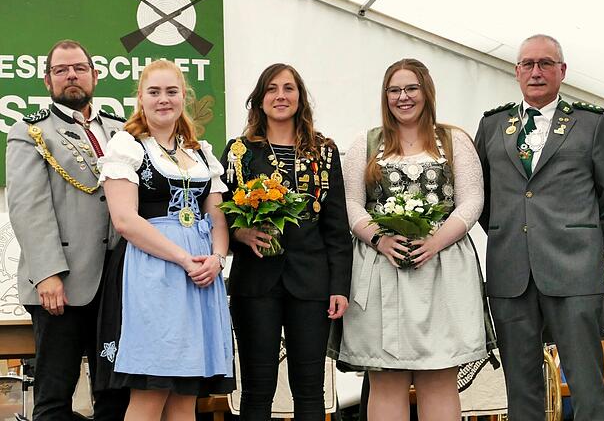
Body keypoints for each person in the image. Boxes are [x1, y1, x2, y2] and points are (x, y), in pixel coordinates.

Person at [474, 34, 604, 420]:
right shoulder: (492, 125)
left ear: (562, 71)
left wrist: (587, 245)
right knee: (521, 389)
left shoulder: (591, 124)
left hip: (575, 273)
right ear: (516, 71)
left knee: (588, 386)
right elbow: (479, 197)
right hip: (511, 273)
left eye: (545, 64)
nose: (536, 72)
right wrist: (511, 235)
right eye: (527, 64)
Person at [337, 58, 491, 421]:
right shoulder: (366, 142)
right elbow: (350, 202)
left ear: (426, 92)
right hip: (381, 270)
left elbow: (472, 201)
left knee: (439, 376)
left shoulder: (455, 141)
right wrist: (379, 239)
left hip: (443, 268)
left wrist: (435, 241)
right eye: (394, 90)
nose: (402, 97)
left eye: (411, 88)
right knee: (386, 378)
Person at [93, 59, 234, 420]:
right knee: (151, 392)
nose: (163, 100)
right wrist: (184, 259)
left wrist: (217, 258)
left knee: (185, 395)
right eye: (154, 92)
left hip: (200, 278)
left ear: (183, 96)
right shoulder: (128, 145)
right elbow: (125, 220)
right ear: (140, 97)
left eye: (171, 92)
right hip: (152, 274)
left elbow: (217, 216)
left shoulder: (200, 151)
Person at [219, 63, 352, 421]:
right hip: (256, 282)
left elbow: (337, 225)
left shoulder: (323, 151)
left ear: (300, 97)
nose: (281, 96)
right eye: (272, 89)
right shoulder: (238, 152)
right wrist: (240, 233)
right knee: (257, 388)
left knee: (310, 389)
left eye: (289, 88)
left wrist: (339, 285)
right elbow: (219, 214)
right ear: (259, 100)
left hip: (312, 283)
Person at [6, 39, 129, 420]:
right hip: (61, 284)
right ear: (47, 81)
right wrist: (47, 275)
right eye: (61, 70)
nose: (71, 75)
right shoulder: (29, 132)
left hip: (117, 283)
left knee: (115, 395)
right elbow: (28, 207)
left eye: (78, 67)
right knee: (55, 397)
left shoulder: (121, 130)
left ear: (95, 74)